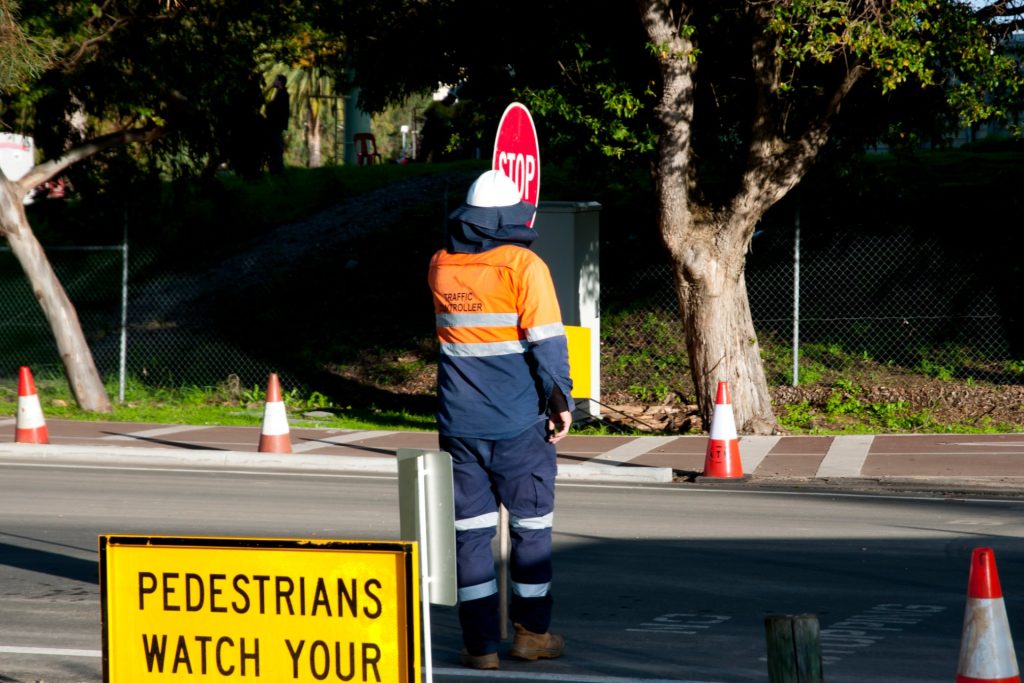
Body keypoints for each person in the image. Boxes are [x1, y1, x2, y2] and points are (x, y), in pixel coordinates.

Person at [427, 169, 573, 670]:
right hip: (518, 423)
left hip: (459, 425)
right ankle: (532, 634)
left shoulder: (440, 267)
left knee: (470, 534)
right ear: (511, 218)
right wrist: (561, 403)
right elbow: (547, 343)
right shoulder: (523, 265)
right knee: (531, 529)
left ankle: (479, 646)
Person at [265, 74, 289, 174]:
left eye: (275, 80)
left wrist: (270, 87)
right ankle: (276, 169)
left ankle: (277, 169)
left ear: (279, 82)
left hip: (276, 125)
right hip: (275, 124)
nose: (274, 81)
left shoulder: (282, 94)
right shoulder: (280, 93)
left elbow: (276, 109)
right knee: (275, 146)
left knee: (276, 147)